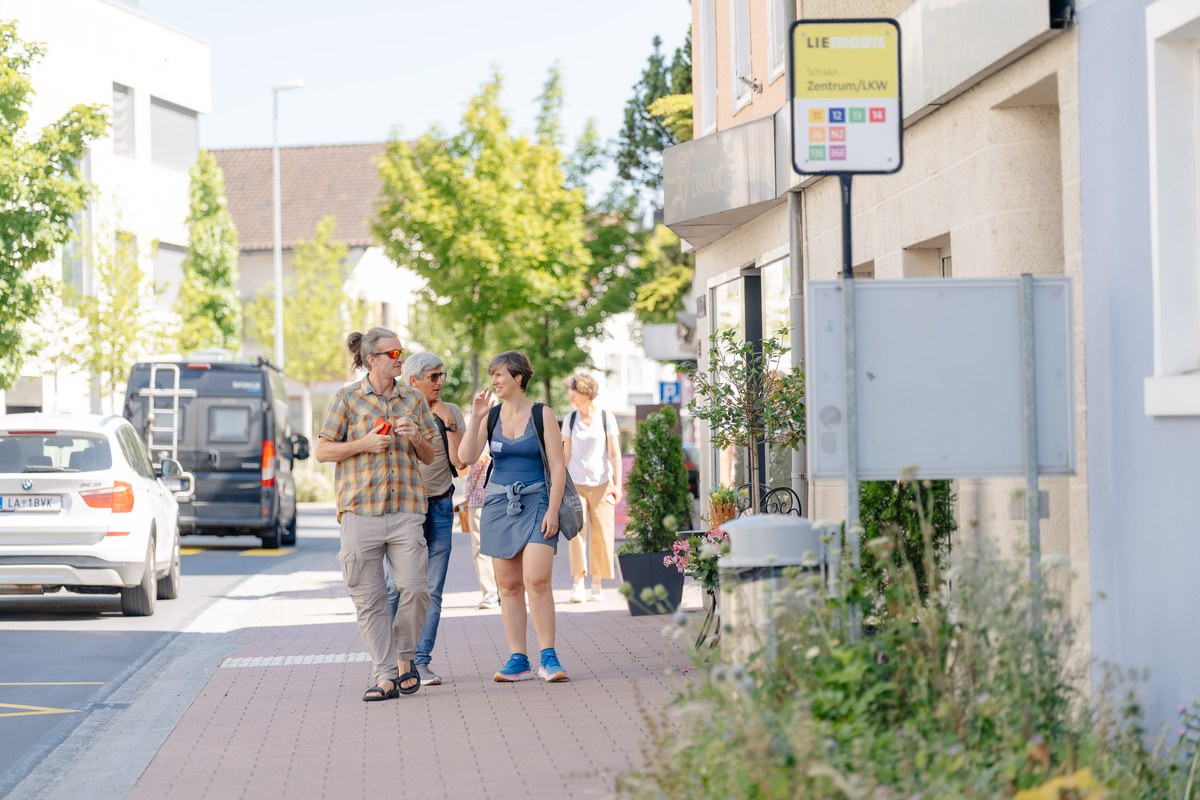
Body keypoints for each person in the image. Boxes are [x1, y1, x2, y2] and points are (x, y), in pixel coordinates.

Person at [315, 327, 437, 702]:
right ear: (372, 360)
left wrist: (416, 436)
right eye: (393, 353)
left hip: (405, 511)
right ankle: (385, 675)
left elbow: (430, 456)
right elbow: (321, 451)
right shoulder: (347, 399)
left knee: (415, 588)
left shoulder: (413, 399)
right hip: (360, 512)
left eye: (401, 351)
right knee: (369, 600)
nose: (400, 357)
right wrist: (363, 444)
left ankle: (404, 659)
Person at [457, 350, 570, 683]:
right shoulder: (490, 417)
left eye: (500, 375)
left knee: (536, 580)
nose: (494, 381)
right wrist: (476, 417)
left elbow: (558, 466)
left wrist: (553, 510)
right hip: (497, 507)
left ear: (518, 377)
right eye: (492, 375)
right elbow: (464, 458)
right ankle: (517, 658)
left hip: (537, 503)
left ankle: (548, 657)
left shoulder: (542, 414)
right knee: (507, 585)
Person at [394, 351, 466, 687]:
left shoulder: (450, 411)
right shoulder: (396, 409)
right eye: (433, 377)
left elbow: (461, 463)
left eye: (442, 376)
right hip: (405, 511)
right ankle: (396, 662)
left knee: (433, 590)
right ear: (414, 381)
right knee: (400, 589)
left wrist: (450, 424)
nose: (440, 382)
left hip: (440, 506)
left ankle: (421, 662)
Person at [561, 374, 622, 603]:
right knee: (576, 532)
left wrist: (618, 485)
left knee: (602, 535)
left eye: (574, 394)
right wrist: (560, 484)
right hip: (576, 483)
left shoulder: (607, 418)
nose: (571, 398)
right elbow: (564, 454)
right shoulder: (570, 419)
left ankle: (597, 583)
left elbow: (614, 453)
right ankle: (578, 582)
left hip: (603, 484)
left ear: (587, 393)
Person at [464, 452, 500, 609]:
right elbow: (459, 468)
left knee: (502, 547)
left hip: (503, 498)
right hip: (477, 498)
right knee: (480, 548)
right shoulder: (472, 432)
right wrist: (471, 458)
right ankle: (490, 592)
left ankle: (505, 589)